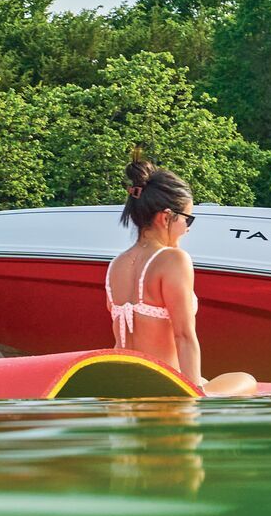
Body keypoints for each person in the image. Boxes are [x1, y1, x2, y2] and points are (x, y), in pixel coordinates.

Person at [109, 160, 257, 397]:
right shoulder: (173, 259)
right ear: (166, 217)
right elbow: (184, 336)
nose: (188, 228)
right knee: (246, 380)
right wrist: (194, 395)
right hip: (165, 385)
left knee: (207, 378)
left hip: (126, 383)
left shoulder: (116, 265)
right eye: (187, 218)